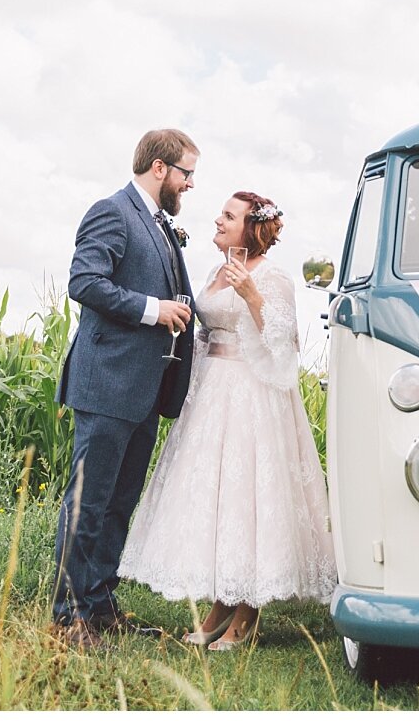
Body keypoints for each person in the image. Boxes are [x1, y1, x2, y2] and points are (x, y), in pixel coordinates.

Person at [118, 191, 336, 650]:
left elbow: (285, 340)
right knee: (214, 495)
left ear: (250, 228)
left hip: (251, 394)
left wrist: (251, 294)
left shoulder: (272, 277)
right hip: (210, 392)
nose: (218, 220)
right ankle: (220, 604)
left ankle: (247, 612)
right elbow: (204, 329)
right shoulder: (215, 272)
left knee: (247, 495)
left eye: (229, 215)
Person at [51, 128, 200, 650]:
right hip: (108, 384)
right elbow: (84, 282)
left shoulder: (160, 225)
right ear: (160, 169)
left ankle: (99, 605)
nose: (189, 186)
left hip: (143, 388)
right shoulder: (113, 212)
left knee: (118, 505)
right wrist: (153, 309)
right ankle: (69, 617)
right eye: (187, 174)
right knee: (88, 504)